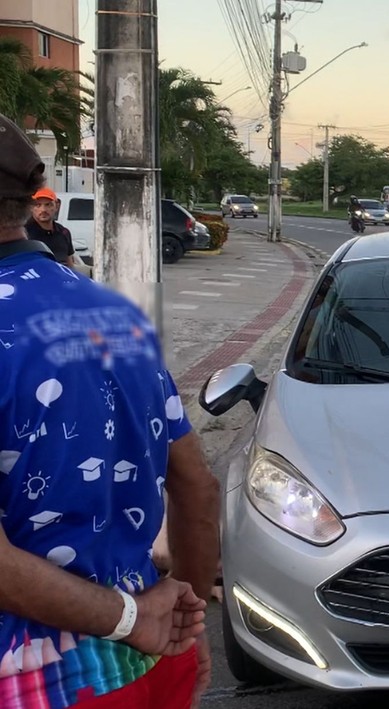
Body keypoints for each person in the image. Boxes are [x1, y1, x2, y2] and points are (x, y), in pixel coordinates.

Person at [0, 114, 220, 707]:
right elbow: (197, 488)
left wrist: (136, 619)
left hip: (35, 682)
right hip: (142, 667)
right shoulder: (114, 316)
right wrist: (183, 627)